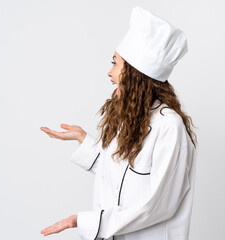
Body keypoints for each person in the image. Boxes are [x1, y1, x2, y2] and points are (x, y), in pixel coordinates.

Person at [40, 6, 197, 240]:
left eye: (115, 63)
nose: (109, 73)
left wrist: (83, 221)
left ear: (135, 73)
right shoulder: (133, 117)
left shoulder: (169, 127)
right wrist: (83, 139)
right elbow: (119, 176)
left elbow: (159, 204)